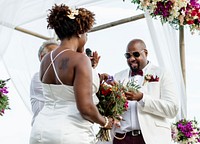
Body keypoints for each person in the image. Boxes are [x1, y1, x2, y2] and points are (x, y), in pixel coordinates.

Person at [29, 4, 113, 144]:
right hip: (69, 132)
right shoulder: (80, 60)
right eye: (86, 33)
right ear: (80, 32)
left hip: (40, 131)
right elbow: (85, 108)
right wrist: (105, 122)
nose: (86, 38)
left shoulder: (46, 60)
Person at [112, 39, 179, 144]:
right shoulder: (118, 77)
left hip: (150, 138)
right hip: (121, 138)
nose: (132, 59)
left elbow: (172, 109)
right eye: (128, 56)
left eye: (136, 54)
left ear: (146, 53)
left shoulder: (162, 74)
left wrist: (142, 98)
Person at [30, 39, 59, 126]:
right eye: (53, 54)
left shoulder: (61, 76)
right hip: (43, 130)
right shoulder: (38, 77)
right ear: (43, 57)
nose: (58, 57)